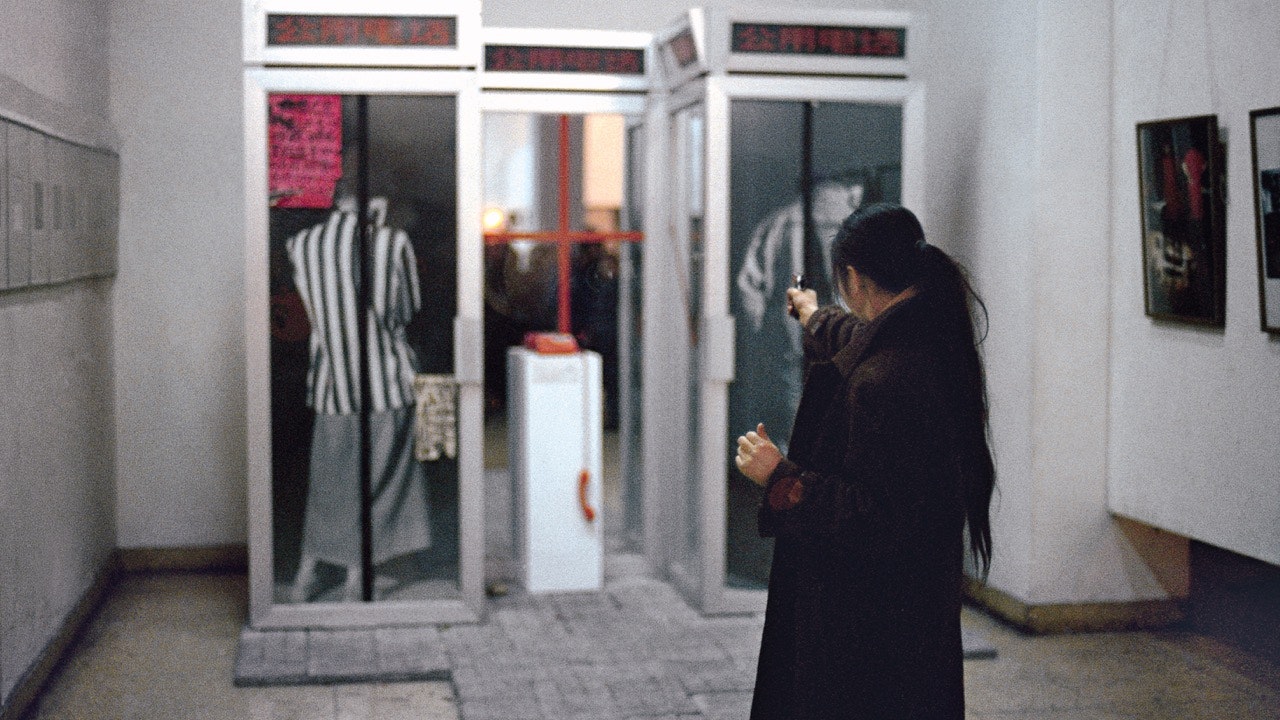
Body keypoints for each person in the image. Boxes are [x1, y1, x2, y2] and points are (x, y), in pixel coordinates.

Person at [734, 203, 996, 719]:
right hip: (913, 611)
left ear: (854, 278)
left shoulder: (886, 381)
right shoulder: (928, 335)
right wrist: (811, 314)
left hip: (870, 623)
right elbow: (854, 335)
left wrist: (777, 474)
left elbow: (870, 512)